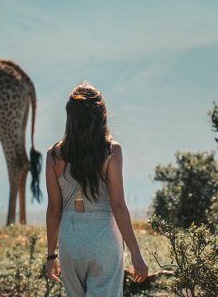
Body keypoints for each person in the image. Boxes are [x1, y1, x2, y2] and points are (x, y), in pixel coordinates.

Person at [45, 83, 148, 296]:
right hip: (103, 239)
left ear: (70, 117)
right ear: (101, 115)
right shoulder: (111, 151)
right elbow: (118, 205)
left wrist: (50, 256)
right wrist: (136, 254)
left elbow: (54, 210)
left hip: (70, 241)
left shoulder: (54, 155)